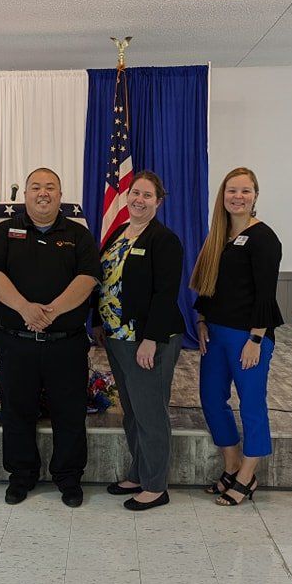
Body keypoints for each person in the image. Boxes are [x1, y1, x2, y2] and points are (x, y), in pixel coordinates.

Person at [0, 167, 101, 507]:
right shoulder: (4, 231)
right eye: (36, 187)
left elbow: (89, 278)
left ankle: (69, 477)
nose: (43, 192)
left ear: (61, 196)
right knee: (17, 411)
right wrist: (25, 309)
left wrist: (50, 312)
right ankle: (21, 476)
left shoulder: (78, 235)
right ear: (27, 194)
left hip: (66, 342)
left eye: (50, 187)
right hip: (16, 341)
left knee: (70, 412)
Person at [191, 167, 283, 507]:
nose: (238, 196)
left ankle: (247, 475)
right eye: (232, 190)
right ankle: (231, 465)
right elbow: (209, 284)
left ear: (256, 195)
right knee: (212, 399)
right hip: (214, 332)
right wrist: (202, 320)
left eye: (245, 191)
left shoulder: (264, 238)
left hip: (249, 336)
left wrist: (256, 339)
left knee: (251, 404)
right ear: (223, 195)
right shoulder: (220, 234)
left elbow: (265, 294)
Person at [93, 171, 185, 511]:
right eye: (135, 193)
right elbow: (104, 280)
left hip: (147, 340)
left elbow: (165, 294)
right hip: (117, 337)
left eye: (147, 195)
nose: (139, 200)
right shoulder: (118, 232)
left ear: (158, 202)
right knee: (132, 411)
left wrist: (150, 338)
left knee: (150, 413)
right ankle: (138, 472)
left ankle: (156, 485)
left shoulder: (164, 240)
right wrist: (98, 321)